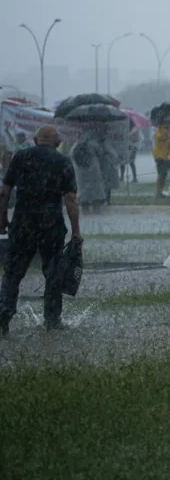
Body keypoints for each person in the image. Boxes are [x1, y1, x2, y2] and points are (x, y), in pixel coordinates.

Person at [0, 125, 82, 335]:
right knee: (53, 274)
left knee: (12, 273)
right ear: (57, 143)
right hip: (51, 226)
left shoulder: (20, 157)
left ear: (36, 140)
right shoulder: (63, 161)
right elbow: (71, 200)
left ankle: (4, 316)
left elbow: (5, 191)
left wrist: (2, 217)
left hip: (22, 225)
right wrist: (76, 231)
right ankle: (52, 321)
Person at [153, 121, 170, 198]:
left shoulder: (166, 130)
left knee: (164, 175)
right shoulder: (160, 130)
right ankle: (158, 193)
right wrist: (169, 132)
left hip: (166, 156)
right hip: (160, 156)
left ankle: (160, 192)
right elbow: (163, 138)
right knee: (161, 174)